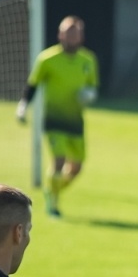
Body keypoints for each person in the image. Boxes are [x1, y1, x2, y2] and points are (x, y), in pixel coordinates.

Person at [17, 16, 99, 219]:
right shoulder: (47, 59)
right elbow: (33, 84)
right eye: (68, 33)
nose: (72, 37)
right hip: (53, 119)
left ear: (81, 37)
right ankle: (52, 203)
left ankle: (52, 190)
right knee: (59, 160)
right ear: (60, 34)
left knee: (77, 168)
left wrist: (89, 95)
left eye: (76, 34)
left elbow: (93, 87)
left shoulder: (88, 60)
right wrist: (23, 106)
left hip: (75, 121)